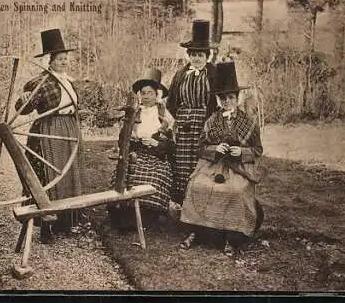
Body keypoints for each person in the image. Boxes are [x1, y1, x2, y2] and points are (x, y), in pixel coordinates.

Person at [178, 61, 264, 256]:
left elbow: (258, 149)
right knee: (197, 185)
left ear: (237, 98)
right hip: (213, 165)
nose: (227, 102)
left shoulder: (248, 122)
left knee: (236, 190)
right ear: (218, 100)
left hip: (239, 167)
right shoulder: (211, 121)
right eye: (223, 98)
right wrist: (215, 148)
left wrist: (241, 152)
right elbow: (200, 148)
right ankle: (197, 231)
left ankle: (232, 238)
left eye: (231, 97)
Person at [14, 28, 84, 244]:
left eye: (65, 59)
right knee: (49, 175)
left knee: (68, 173)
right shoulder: (39, 83)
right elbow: (22, 109)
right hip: (49, 131)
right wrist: (24, 98)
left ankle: (67, 222)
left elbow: (74, 106)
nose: (64, 62)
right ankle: (46, 225)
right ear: (50, 61)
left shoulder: (69, 82)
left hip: (69, 129)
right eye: (59, 59)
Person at [108, 68, 175, 230]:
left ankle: (147, 218)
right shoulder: (134, 112)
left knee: (154, 176)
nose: (145, 97)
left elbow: (171, 145)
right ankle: (125, 216)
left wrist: (156, 144)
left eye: (149, 93)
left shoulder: (165, 115)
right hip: (135, 154)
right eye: (143, 93)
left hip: (156, 157)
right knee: (128, 174)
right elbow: (122, 140)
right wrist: (131, 140)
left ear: (157, 94)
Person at [166, 20, 218, 205]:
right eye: (193, 54)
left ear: (207, 56)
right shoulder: (181, 74)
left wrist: (208, 121)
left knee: (201, 159)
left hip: (205, 123)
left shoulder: (213, 73)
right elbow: (171, 102)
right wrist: (181, 117)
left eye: (200, 55)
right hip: (183, 125)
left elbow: (218, 101)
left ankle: (203, 199)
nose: (196, 58)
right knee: (181, 161)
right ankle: (182, 201)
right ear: (189, 55)